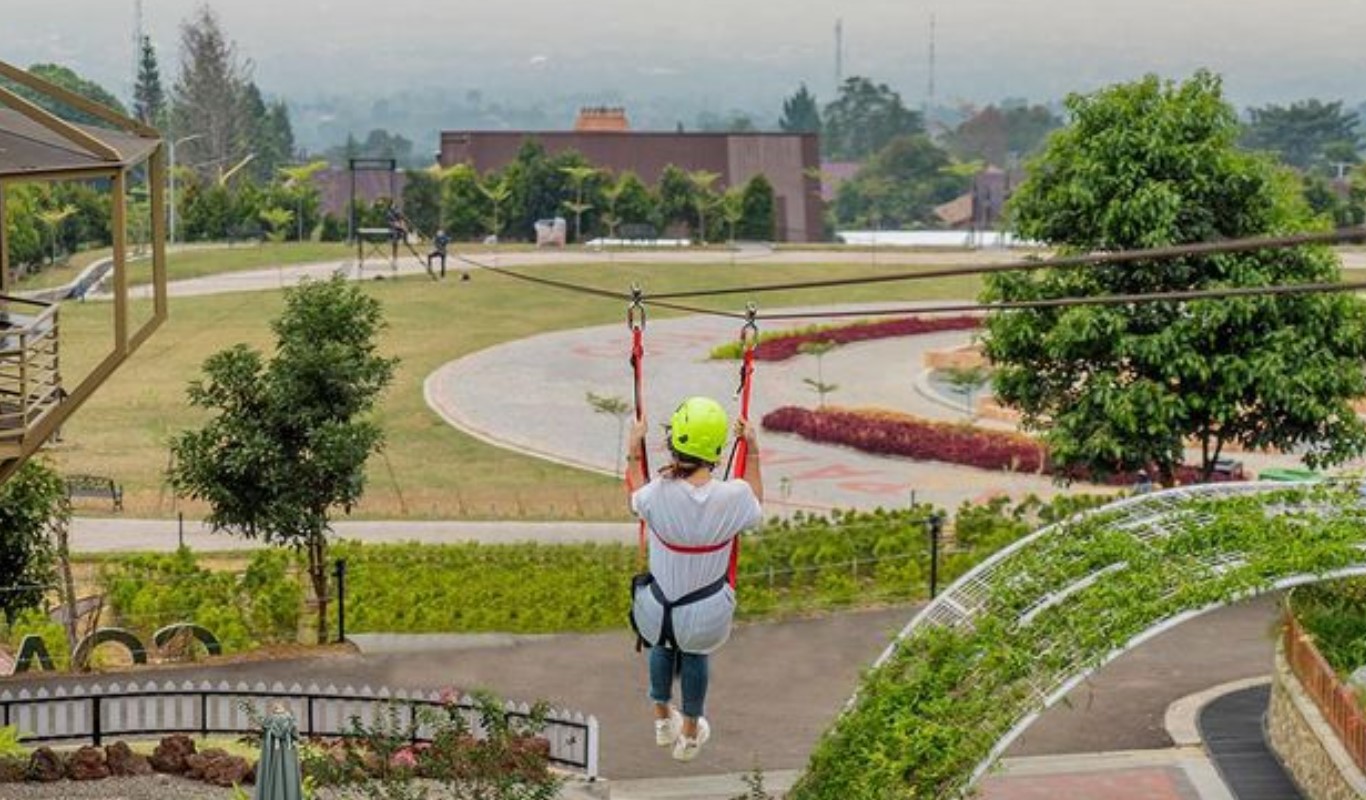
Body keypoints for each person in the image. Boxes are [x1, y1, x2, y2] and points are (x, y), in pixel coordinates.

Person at [625, 397, 763, 762]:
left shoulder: (656, 494)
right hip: (704, 613)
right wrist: (754, 448)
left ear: (674, 444)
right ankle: (688, 734)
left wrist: (632, 448)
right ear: (717, 451)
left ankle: (661, 720)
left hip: (656, 610)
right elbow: (757, 504)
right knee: (694, 653)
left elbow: (633, 494)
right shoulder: (733, 497)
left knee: (661, 644)